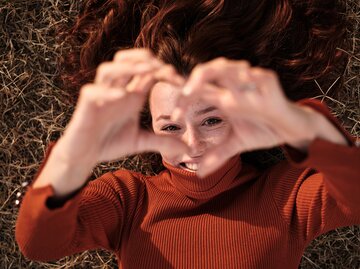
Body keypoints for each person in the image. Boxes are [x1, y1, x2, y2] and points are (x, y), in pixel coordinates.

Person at [15, 0, 359, 268]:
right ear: (150, 128)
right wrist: (76, 151)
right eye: (171, 127)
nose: (192, 146)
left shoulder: (285, 196)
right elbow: (40, 244)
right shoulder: (128, 200)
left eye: (211, 121)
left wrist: (299, 124)